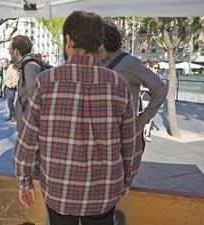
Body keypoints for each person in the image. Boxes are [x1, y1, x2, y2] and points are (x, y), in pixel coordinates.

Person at [14, 11, 143, 225]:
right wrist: (127, 179)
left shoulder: (45, 83)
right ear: (99, 43)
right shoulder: (119, 85)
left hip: (59, 192)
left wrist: (24, 181)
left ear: (68, 41)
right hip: (104, 193)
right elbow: (131, 144)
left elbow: (27, 141)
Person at [98, 20, 168, 149]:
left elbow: (161, 89)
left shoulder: (129, 63)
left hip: (122, 137)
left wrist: (143, 120)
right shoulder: (97, 62)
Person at [8, 35, 44, 131]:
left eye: (10, 49)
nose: (9, 51)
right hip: (26, 120)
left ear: (17, 51)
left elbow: (36, 97)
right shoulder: (25, 65)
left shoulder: (29, 66)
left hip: (29, 124)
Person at [141, 61, 161, 142]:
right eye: (155, 68)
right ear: (150, 68)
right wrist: (148, 89)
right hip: (145, 98)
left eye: (157, 68)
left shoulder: (157, 77)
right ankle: (142, 134)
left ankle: (147, 134)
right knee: (145, 117)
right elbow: (140, 88)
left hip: (153, 99)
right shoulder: (145, 77)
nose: (156, 70)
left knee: (150, 118)